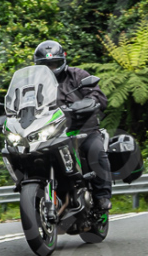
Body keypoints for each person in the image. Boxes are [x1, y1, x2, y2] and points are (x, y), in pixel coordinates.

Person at [33, 40, 112, 212]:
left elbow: (97, 95)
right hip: (49, 134)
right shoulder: (33, 85)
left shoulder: (77, 75)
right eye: (46, 65)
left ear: (62, 61)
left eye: (54, 64)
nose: (50, 69)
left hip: (82, 130)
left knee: (95, 150)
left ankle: (102, 196)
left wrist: (87, 103)